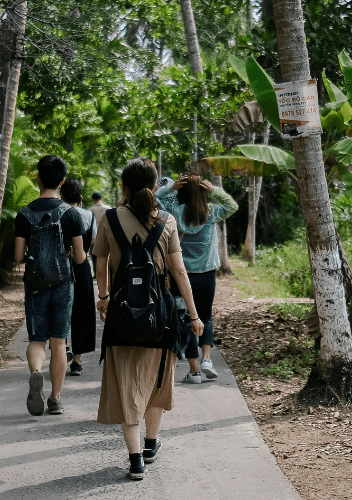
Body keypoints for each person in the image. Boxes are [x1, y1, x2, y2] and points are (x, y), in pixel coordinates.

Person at [93, 158, 203, 481]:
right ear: (155, 187)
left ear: (123, 188)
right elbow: (180, 272)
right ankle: (152, 443)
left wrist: (103, 299)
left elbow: (100, 268)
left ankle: (135, 459)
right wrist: (194, 316)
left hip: (122, 316)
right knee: (156, 381)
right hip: (161, 317)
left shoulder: (109, 220)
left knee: (128, 385)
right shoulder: (167, 222)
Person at [13, 155, 88, 416]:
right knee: (58, 343)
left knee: (37, 340)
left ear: (37, 177)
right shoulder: (72, 214)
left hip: (34, 285)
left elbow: (18, 257)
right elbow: (79, 258)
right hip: (62, 285)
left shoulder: (23, 214)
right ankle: (55, 399)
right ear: (63, 181)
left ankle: (36, 373)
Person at [156, 173, 239, 384]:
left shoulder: (173, 212)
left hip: (181, 275)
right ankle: (207, 360)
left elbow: (155, 200)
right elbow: (233, 205)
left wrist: (171, 188)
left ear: (181, 192)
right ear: (203, 192)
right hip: (206, 274)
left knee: (188, 318)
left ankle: (193, 372)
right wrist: (213, 191)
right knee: (206, 316)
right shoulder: (210, 212)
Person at [59, 178, 95, 376]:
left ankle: (62, 350)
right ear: (80, 197)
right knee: (82, 313)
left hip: (61, 268)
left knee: (61, 311)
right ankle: (77, 362)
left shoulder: (58, 214)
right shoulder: (88, 215)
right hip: (81, 269)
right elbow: (93, 240)